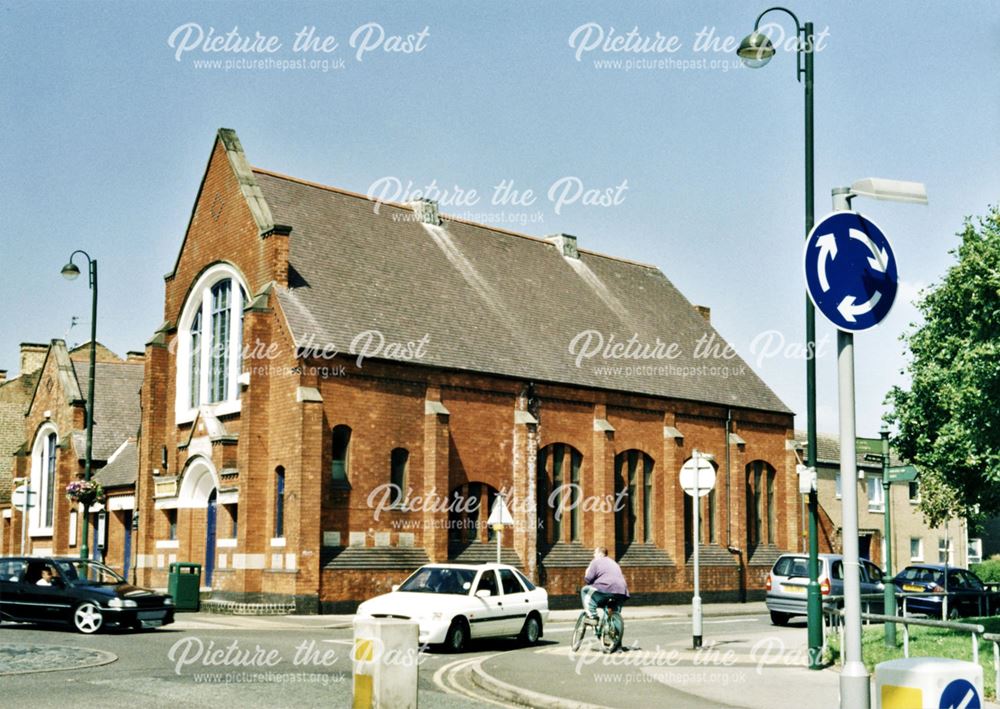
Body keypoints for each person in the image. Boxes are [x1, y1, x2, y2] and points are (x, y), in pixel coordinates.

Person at [581, 547, 629, 619]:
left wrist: (587, 571)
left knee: (584, 590)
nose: (593, 555)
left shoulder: (596, 562)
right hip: (622, 591)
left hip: (606, 588)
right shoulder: (614, 563)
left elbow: (588, 579)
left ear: (600, 554)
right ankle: (613, 621)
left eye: (595, 553)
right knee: (613, 610)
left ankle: (592, 616)